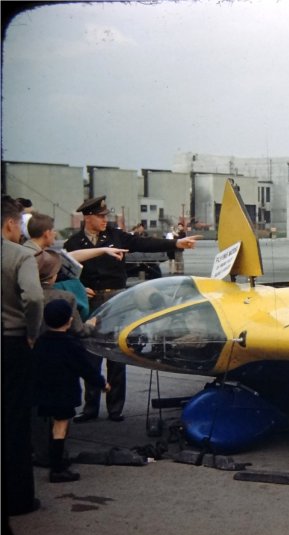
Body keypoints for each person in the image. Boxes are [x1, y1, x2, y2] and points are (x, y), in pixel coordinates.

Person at [63, 195, 199, 423]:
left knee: (117, 354)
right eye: (100, 216)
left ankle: (115, 408)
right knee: (90, 355)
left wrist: (175, 244)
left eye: (105, 216)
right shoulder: (74, 243)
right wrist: (80, 287)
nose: (105, 220)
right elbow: (66, 272)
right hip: (91, 302)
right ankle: (90, 408)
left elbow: (143, 243)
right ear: (88, 217)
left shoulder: (115, 236)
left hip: (116, 300)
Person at [32, 299, 109, 483]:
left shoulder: (41, 342)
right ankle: (57, 468)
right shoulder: (71, 344)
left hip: (44, 391)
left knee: (52, 425)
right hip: (64, 392)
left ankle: (53, 459)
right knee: (60, 428)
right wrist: (102, 384)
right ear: (69, 320)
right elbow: (86, 369)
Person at [1, 195, 44, 516]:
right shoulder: (19, 255)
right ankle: (18, 498)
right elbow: (33, 298)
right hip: (12, 343)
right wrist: (32, 332)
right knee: (15, 421)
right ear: (10, 224)